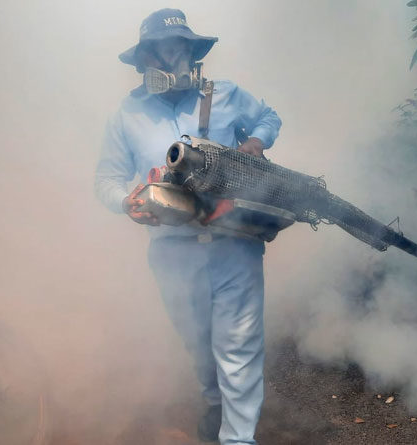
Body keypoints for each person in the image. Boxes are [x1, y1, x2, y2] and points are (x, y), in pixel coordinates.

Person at [94, 8, 281, 445]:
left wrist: (255, 142)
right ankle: (214, 401)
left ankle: (237, 438)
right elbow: (106, 178)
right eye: (161, 52)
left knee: (238, 347)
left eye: (180, 49)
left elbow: (269, 117)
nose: (173, 60)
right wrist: (126, 202)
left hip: (235, 241)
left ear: (192, 52)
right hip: (171, 249)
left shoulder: (226, 94)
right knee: (199, 342)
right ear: (143, 62)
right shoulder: (126, 115)